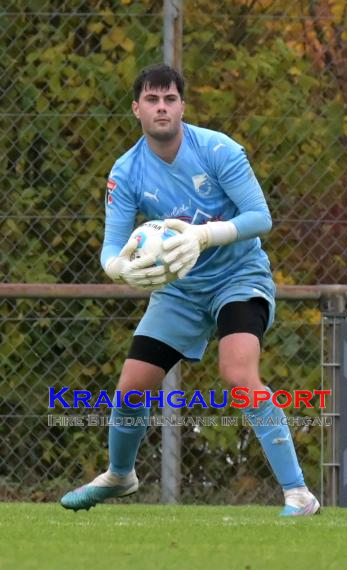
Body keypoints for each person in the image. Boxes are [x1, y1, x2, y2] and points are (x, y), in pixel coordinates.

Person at [60, 63, 320, 516]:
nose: (162, 107)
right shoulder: (125, 172)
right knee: (131, 389)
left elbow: (260, 217)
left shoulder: (218, 149)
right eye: (152, 100)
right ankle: (121, 476)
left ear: (182, 106)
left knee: (238, 374)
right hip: (180, 291)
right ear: (136, 108)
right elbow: (111, 247)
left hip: (238, 277)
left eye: (170, 99)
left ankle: (298, 493)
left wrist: (203, 237)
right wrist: (119, 267)